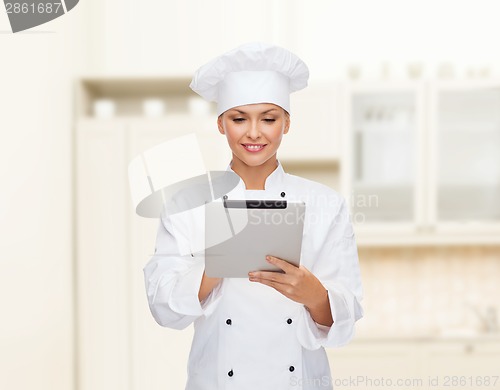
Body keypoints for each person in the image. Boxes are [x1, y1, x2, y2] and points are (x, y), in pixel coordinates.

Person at [143, 42, 363, 390]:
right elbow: (163, 308)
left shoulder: (325, 204)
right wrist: (214, 270)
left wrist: (314, 295)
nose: (254, 133)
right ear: (220, 124)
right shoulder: (187, 204)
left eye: (269, 119)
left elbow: (346, 317)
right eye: (239, 118)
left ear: (287, 123)